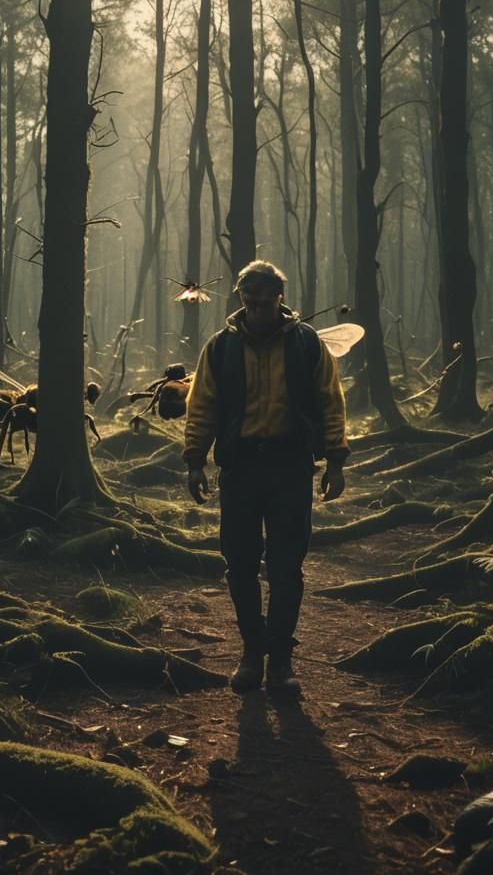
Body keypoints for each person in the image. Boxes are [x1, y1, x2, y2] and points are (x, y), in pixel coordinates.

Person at [183, 260, 349, 694]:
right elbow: (203, 404)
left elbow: (330, 401)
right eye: (248, 301)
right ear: (241, 298)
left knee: (286, 568)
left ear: (280, 298)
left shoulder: (306, 345)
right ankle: (252, 653)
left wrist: (335, 460)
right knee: (239, 564)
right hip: (240, 469)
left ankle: (281, 661)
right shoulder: (220, 348)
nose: (255, 309)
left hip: (291, 467)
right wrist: (195, 459)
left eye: (264, 301)